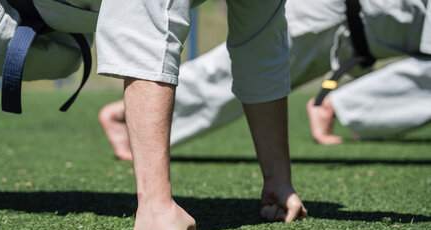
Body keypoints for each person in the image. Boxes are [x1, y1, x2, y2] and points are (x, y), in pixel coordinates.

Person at [0, 0, 307, 230]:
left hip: (32, 31)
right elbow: (149, 31)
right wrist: (155, 206)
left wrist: (278, 180)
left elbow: (262, 53)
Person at [99, 0, 431, 157]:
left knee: (256, 70)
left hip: (373, 27)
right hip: (343, 9)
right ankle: (127, 116)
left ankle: (343, 105)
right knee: (245, 70)